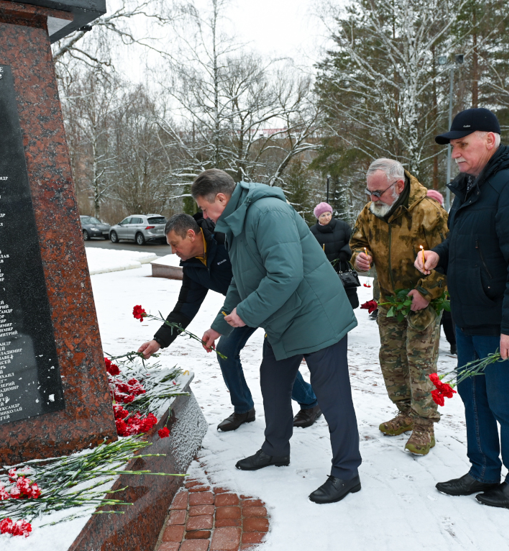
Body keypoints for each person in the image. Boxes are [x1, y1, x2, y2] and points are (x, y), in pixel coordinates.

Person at [193, 169, 362, 505]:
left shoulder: (267, 213)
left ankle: (347, 472)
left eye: (205, 208)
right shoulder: (238, 224)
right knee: (271, 379)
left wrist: (245, 314)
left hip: (315, 314)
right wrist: (219, 326)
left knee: (332, 395)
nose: (204, 216)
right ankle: (275, 449)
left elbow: (285, 274)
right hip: (286, 316)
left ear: (222, 199)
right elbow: (241, 283)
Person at [416, 108, 509, 509]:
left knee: (505, 402)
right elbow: (466, 241)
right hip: (469, 317)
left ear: (489, 140)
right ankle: (483, 470)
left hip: (498, 322)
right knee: (474, 399)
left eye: (462, 144)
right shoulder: (472, 186)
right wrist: (439, 256)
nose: (455, 152)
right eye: (453, 146)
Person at [136, 213, 323, 431]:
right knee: (226, 349)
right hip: (238, 309)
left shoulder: (225, 239)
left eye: (175, 244)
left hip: (269, 300)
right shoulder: (192, 266)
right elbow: (185, 307)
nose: (173, 251)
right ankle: (243, 408)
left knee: (277, 356)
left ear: (190, 235)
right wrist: (159, 340)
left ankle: (311, 402)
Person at [350, 159, 449, 455]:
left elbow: (448, 257)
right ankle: (405, 412)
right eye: (370, 192)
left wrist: (426, 292)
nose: (373, 198)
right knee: (392, 360)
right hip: (390, 301)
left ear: (400, 186)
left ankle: (423, 426)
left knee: (420, 364)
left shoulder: (428, 213)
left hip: (422, 302)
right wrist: (360, 256)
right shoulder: (371, 213)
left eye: (378, 192)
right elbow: (357, 242)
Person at [309, 202, 359, 309]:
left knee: (348, 296)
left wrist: (345, 252)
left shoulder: (343, 226)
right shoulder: (312, 231)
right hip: (325, 269)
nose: (326, 217)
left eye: (328, 214)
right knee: (329, 298)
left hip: (343, 266)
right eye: (323, 215)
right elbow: (310, 249)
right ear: (318, 217)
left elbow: (353, 241)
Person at [425, 189, 456, 355]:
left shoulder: (447, 221)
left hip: (447, 273)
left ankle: (454, 342)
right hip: (428, 273)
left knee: (448, 314)